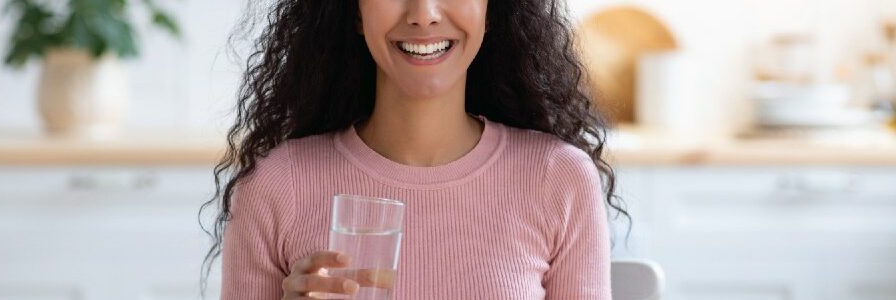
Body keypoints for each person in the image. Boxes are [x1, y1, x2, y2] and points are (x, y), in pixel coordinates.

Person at [200, 0, 630, 299]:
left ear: (490, 9)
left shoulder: (558, 177)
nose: (424, 15)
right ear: (354, 10)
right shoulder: (276, 184)